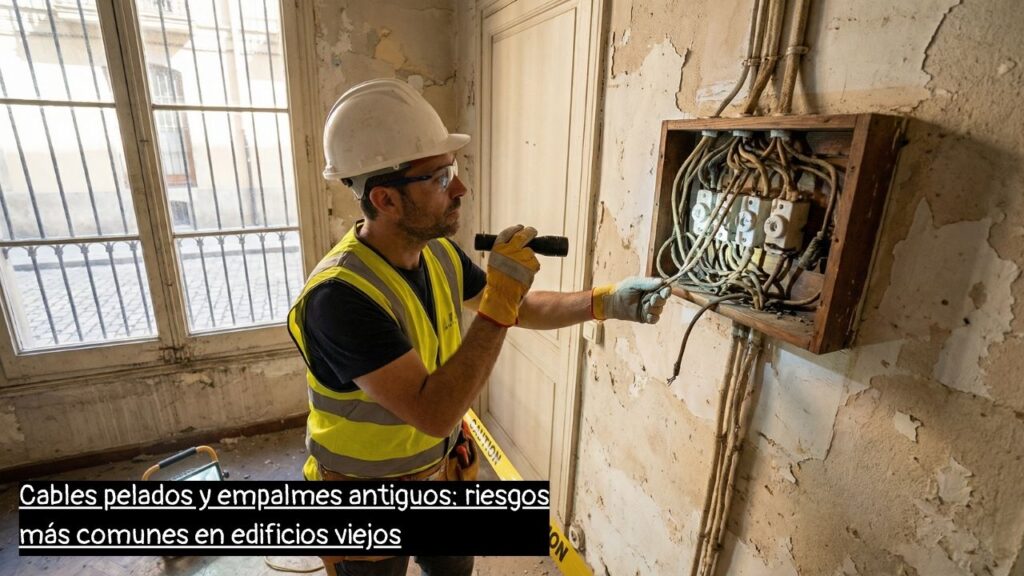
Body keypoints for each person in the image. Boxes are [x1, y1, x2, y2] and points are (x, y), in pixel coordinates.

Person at [286, 78, 671, 576]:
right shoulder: (339, 299)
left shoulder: (439, 253)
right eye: (441, 178)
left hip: (442, 475)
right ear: (385, 200)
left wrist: (604, 302)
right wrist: (501, 298)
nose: (461, 189)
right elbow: (435, 411)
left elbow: (519, 307)